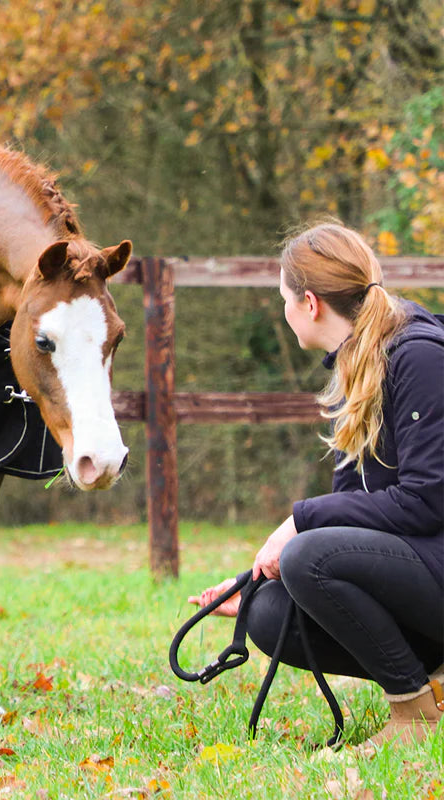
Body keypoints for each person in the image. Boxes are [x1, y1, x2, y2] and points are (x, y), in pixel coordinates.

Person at [189, 222, 444, 746]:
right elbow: (351, 504)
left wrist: (299, 523)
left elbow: (426, 502)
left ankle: (414, 716)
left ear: (308, 302)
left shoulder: (420, 356)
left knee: (310, 556)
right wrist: (255, 577)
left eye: (282, 299)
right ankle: (437, 681)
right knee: (269, 612)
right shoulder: (359, 363)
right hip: (426, 569)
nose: (282, 313)